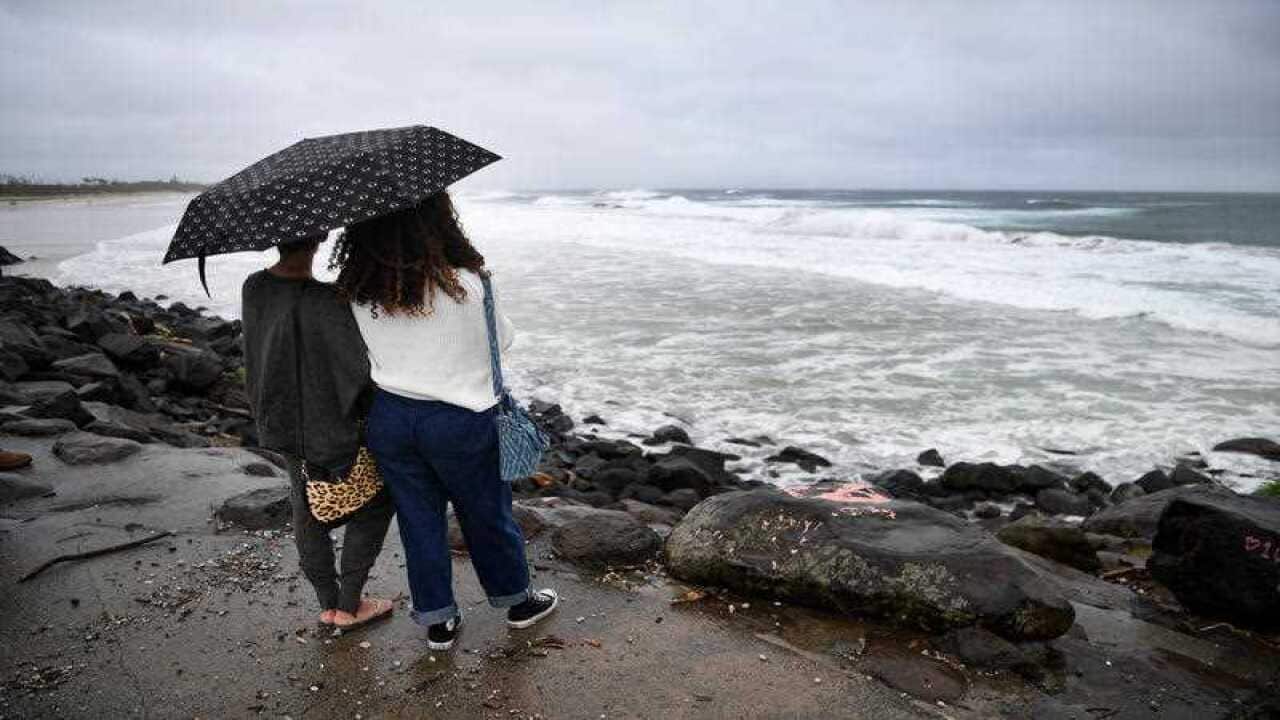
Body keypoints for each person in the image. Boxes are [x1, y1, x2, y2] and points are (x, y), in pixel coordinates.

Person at [331, 191, 557, 651]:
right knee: (487, 515)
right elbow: (504, 340)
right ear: (437, 221)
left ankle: (439, 621)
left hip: (391, 418)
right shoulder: (467, 283)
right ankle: (517, 603)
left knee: (418, 520)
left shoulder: (360, 287)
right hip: (461, 420)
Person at [240, 236, 395, 629]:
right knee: (376, 502)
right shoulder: (328, 299)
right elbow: (357, 371)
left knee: (304, 506)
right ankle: (349, 604)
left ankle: (328, 603)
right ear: (322, 236)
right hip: (330, 423)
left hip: (279, 419)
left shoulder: (254, 286)